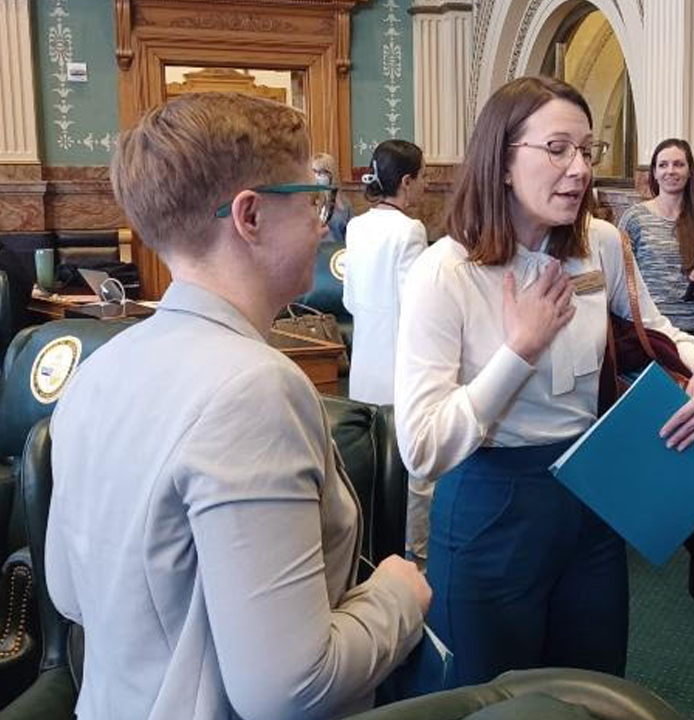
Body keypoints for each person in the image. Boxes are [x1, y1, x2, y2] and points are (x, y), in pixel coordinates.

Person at [45, 92, 430, 720]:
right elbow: (289, 688)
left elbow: (70, 592)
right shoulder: (254, 388)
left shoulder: (99, 368)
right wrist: (397, 596)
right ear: (249, 217)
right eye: (312, 200)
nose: (318, 220)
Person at [394, 75, 694, 692]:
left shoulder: (599, 244)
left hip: (589, 500)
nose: (579, 170)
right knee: (485, 697)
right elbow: (421, 446)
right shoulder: (444, 272)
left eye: (587, 151)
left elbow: (655, 328)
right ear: (501, 162)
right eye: (557, 149)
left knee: (589, 689)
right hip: (491, 503)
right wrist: (520, 348)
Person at [342, 139, 431, 568]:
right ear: (408, 181)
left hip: (365, 359)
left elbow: (349, 298)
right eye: (424, 177)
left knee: (372, 459)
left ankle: (369, 545)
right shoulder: (409, 231)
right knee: (411, 463)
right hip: (401, 360)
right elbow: (418, 305)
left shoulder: (357, 226)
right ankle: (413, 552)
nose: (427, 186)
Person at [618, 138, 694, 352]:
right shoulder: (635, 218)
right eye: (663, 165)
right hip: (649, 329)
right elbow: (618, 274)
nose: (671, 171)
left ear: (690, 172)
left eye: (678, 164)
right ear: (654, 172)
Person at [311, 152, 355, 243]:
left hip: (337, 252)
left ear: (332, 174)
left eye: (322, 172)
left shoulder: (344, 203)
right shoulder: (307, 201)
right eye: (314, 171)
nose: (317, 176)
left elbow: (351, 234)